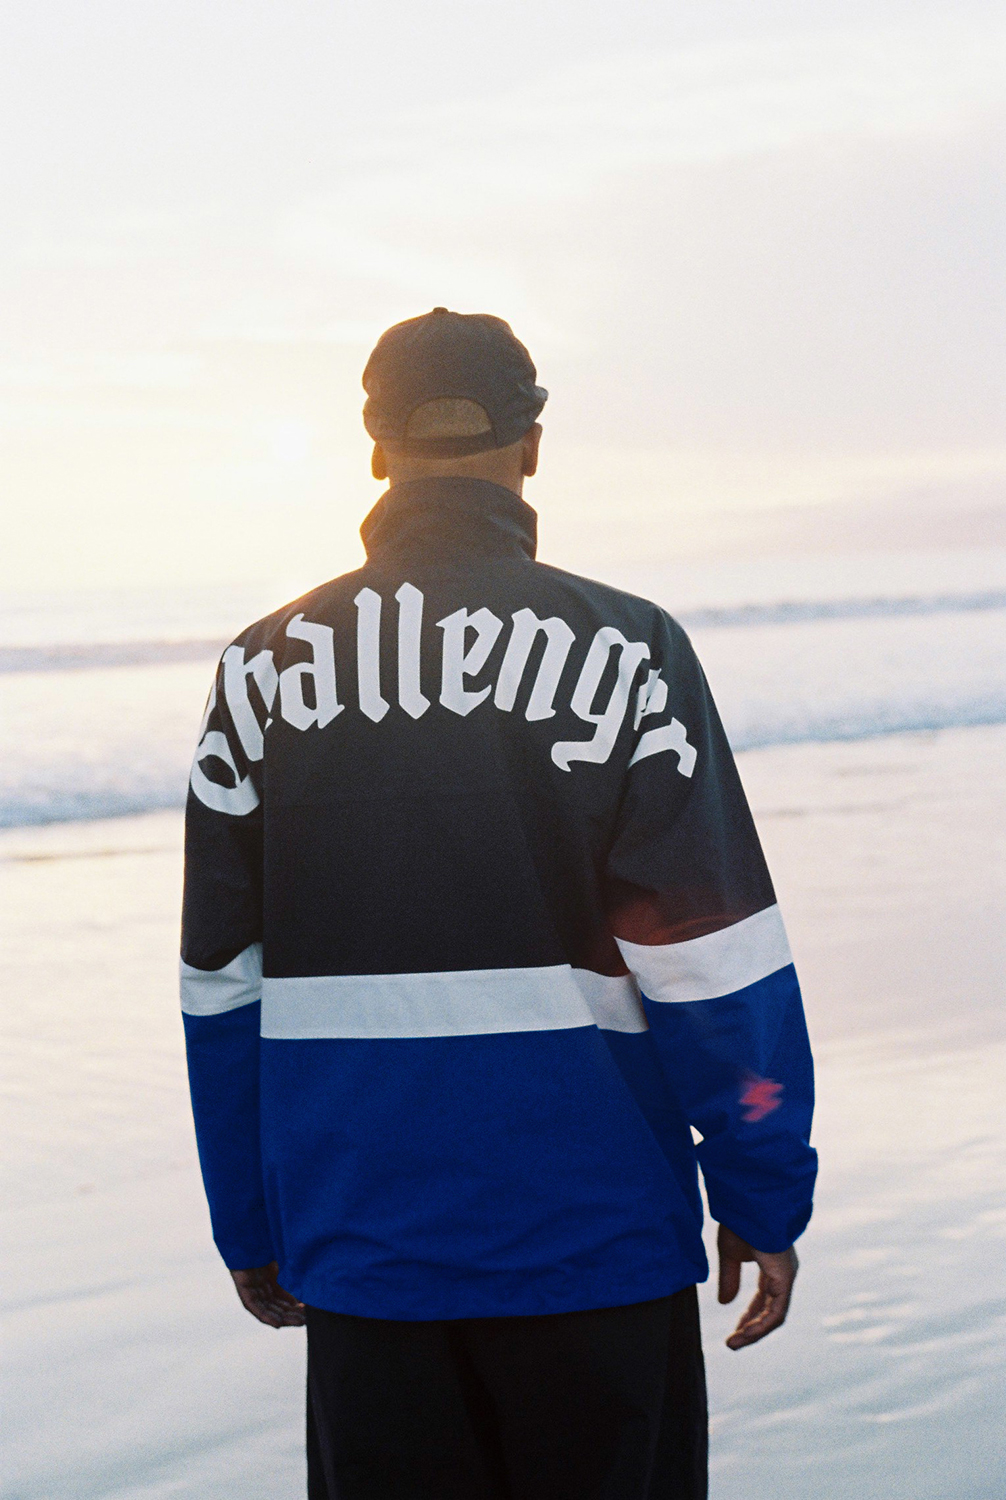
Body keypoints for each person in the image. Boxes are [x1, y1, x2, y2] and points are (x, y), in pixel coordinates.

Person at [180, 308, 817, 1499]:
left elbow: (221, 985)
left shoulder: (259, 668)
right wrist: (761, 1191)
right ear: (530, 443)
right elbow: (711, 965)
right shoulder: (629, 648)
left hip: (363, 1247)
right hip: (595, 1246)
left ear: (376, 448)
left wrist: (250, 1220)